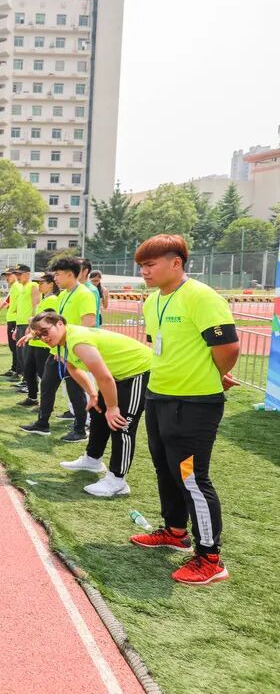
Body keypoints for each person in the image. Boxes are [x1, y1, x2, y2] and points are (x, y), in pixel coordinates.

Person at [130, 234, 238, 586]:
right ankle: (175, 532)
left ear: (176, 263)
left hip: (194, 403)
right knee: (166, 469)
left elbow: (228, 347)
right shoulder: (152, 301)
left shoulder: (202, 297)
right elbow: (162, 348)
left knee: (191, 477)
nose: (145, 271)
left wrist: (215, 375)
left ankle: (210, 557)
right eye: (142, 266)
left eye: (151, 264)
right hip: (159, 395)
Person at [28, 312, 152, 496]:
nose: (44, 338)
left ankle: (118, 481)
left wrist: (113, 407)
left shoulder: (78, 340)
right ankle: (93, 460)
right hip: (117, 374)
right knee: (98, 413)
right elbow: (72, 368)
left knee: (121, 424)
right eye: (39, 336)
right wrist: (94, 394)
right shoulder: (59, 343)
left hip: (138, 371)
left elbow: (103, 376)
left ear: (60, 324)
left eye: (45, 332)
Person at [20, 257, 95, 441]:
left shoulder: (84, 294)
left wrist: (74, 352)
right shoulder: (63, 295)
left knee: (75, 392)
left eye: (59, 275)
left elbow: (89, 324)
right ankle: (42, 424)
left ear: (71, 274)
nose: (56, 279)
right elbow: (51, 324)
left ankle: (80, 429)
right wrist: (32, 334)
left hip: (72, 355)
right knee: (46, 387)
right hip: (56, 353)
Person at [16, 274, 59, 407]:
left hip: (43, 343)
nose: (39, 285)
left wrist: (32, 321)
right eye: (38, 283)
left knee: (42, 374)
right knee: (28, 370)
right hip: (34, 340)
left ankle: (44, 403)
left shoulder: (52, 299)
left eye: (42, 283)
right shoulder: (44, 299)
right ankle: (32, 397)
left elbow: (45, 320)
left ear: (51, 284)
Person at [5, 265, 39, 382]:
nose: (18, 277)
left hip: (27, 325)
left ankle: (28, 382)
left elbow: (36, 307)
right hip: (19, 324)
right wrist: (16, 328)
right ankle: (25, 380)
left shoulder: (33, 286)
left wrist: (32, 326)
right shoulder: (22, 287)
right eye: (17, 274)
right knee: (20, 354)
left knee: (27, 356)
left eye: (20, 274)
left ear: (28, 273)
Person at [0, 268, 23, 376]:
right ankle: (14, 369)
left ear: (15, 275)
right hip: (11, 319)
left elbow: (20, 303)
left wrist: (14, 311)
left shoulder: (17, 286)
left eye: (9, 275)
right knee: (13, 347)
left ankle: (18, 370)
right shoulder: (13, 287)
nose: (7, 278)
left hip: (15, 320)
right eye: (5, 276)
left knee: (15, 346)